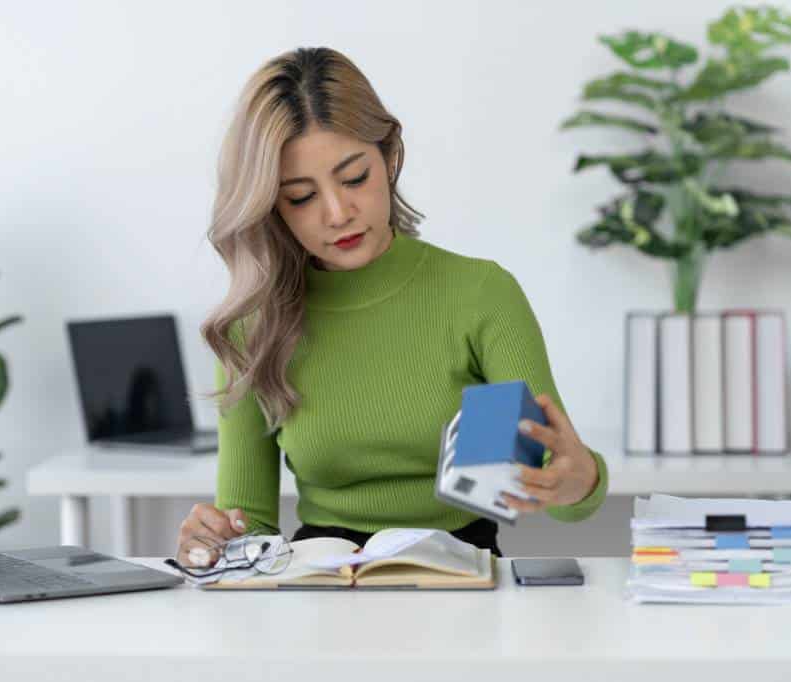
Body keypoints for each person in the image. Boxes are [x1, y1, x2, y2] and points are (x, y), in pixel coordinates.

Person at [175, 46, 608, 567]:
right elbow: (252, 526)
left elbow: (556, 482)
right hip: (324, 580)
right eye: (300, 196)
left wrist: (579, 480)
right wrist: (218, 539)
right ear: (270, 204)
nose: (338, 213)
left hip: (461, 576)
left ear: (390, 155)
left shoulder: (480, 294)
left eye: (354, 177)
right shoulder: (252, 327)